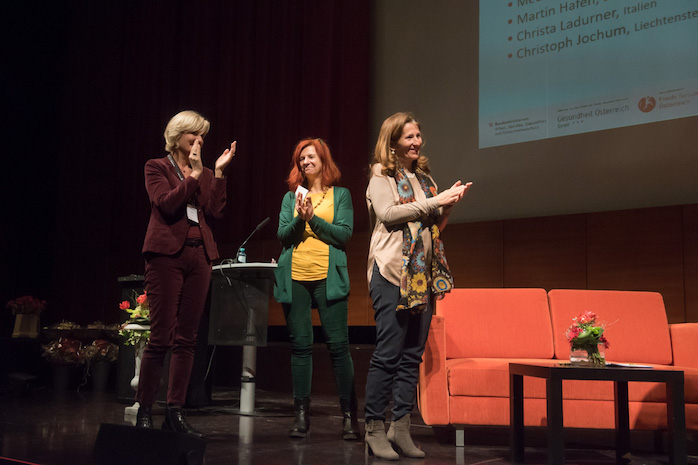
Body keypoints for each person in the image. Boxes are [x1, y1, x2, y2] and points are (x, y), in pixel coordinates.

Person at [364, 112, 471, 460]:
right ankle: (374, 429)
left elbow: (433, 225)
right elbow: (390, 214)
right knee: (388, 353)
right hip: (391, 273)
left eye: (418, 136)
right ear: (393, 142)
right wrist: (436, 201)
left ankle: (401, 427)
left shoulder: (425, 179)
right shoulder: (382, 176)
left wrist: (448, 205)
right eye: (408, 137)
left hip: (421, 276)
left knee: (412, 356)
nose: (416, 142)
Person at [135, 110, 236, 437]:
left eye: (203, 136)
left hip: (200, 255)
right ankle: (145, 409)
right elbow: (166, 204)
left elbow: (215, 210)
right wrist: (192, 175)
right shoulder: (157, 167)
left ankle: (174, 410)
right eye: (194, 135)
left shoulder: (204, 171)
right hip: (166, 254)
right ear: (177, 136)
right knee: (161, 335)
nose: (199, 141)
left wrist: (217, 173)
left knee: (187, 338)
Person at [273, 138, 359, 440]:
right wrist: (300, 217)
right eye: (301, 159)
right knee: (301, 348)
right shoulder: (291, 198)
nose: (305, 162)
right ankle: (300, 416)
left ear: (323, 160)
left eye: (310, 157)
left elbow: (343, 235)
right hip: (295, 277)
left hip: (328, 277)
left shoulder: (342, 195)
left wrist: (314, 219)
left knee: (338, 348)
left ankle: (350, 418)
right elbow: (284, 236)